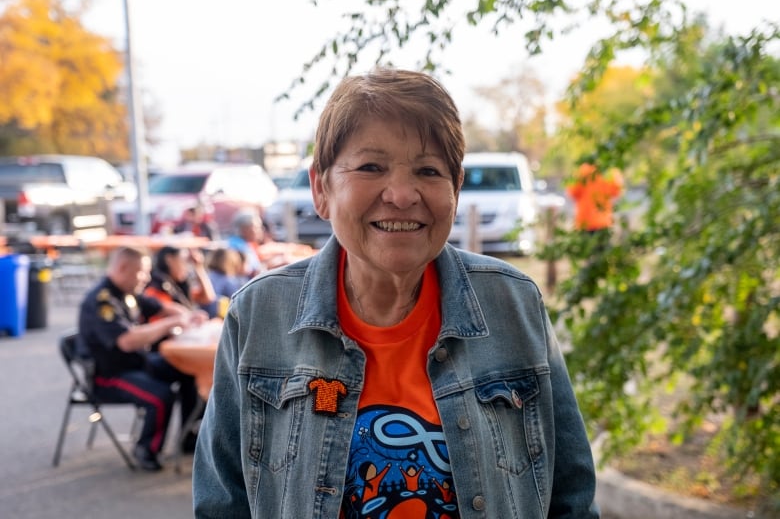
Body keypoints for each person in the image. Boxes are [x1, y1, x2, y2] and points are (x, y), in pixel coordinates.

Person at [193, 67, 599, 518]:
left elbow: (571, 498)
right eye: (371, 167)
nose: (403, 194)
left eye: (428, 170)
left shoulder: (513, 304)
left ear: (455, 189)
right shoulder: (259, 316)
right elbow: (221, 504)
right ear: (321, 188)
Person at [78, 246, 209, 471]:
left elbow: (162, 307)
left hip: (137, 363)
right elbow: (126, 341)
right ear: (123, 268)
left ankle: (189, 437)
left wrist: (186, 315)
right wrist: (169, 324)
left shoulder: (128, 293)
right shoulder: (102, 301)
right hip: (109, 374)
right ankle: (147, 450)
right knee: (160, 396)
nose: (147, 278)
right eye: (142, 272)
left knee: (188, 370)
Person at [144, 245, 217, 320]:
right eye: (184, 261)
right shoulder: (157, 287)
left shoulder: (177, 286)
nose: (187, 267)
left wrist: (198, 267)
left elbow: (208, 298)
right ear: (169, 259)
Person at [566, 162, 624, 233]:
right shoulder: (610, 171)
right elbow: (617, 191)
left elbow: (572, 192)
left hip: (585, 222)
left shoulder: (581, 171)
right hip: (604, 222)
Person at [202, 247, 247, 318]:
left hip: (203, 315)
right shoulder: (228, 281)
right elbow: (238, 304)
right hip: (218, 319)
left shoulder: (208, 276)